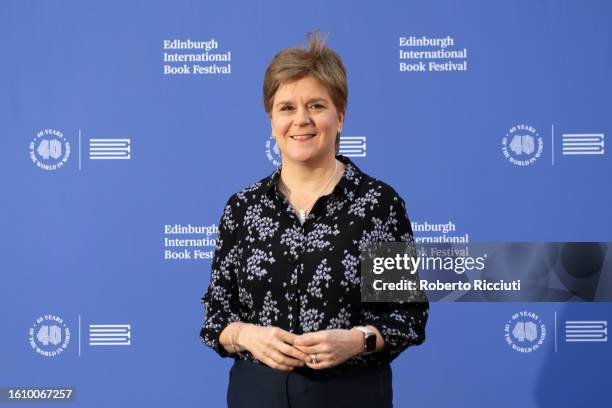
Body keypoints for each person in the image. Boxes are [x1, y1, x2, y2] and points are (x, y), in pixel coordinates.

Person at [200, 31, 428, 408]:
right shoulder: (242, 208)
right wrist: (246, 336)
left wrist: (356, 340)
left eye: (316, 106)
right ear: (271, 120)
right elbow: (216, 318)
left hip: (351, 394)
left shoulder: (378, 205)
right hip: (256, 394)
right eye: (286, 107)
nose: (301, 120)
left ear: (340, 116)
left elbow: (408, 317)